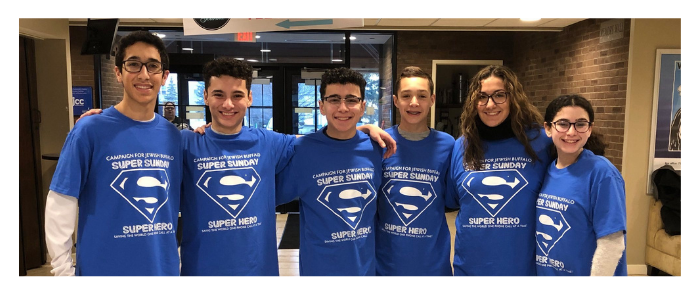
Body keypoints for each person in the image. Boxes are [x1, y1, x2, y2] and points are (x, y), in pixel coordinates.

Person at [44, 30, 182, 276]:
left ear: (164, 77)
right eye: (133, 64)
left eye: (153, 66)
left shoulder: (175, 137)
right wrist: (62, 271)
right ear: (118, 73)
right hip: (103, 269)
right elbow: (60, 201)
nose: (144, 74)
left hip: (163, 269)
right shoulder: (89, 130)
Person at [276, 67, 383, 276]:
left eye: (351, 100)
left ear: (362, 107)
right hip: (319, 269)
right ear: (321, 106)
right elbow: (264, 198)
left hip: (365, 268)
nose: (343, 108)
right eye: (334, 99)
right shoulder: (302, 151)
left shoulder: (376, 149)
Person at [447, 65, 552, 276]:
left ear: (513, 97)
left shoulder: (541, 141)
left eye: (499, 95)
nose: (490, 104)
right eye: (482, 97)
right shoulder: (462, 146)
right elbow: (453, 200)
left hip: (523, 268)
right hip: (470, 267)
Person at [375, 66, 455, 276]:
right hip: (387, 262)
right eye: (406, 96)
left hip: (433, 263)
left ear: (432, 99)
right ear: (395, 100)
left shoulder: (448, 145)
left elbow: (452, 197)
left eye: (422, 96)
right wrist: (364, 129)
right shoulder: (379, 142)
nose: (414, 102)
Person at [536, 94, 627, 276]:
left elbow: (612, 243)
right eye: (563, 124)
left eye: (580, 124)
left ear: (590, 128)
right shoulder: (546, 171)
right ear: (548, 128)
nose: (571, 132)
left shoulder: (602, 172)